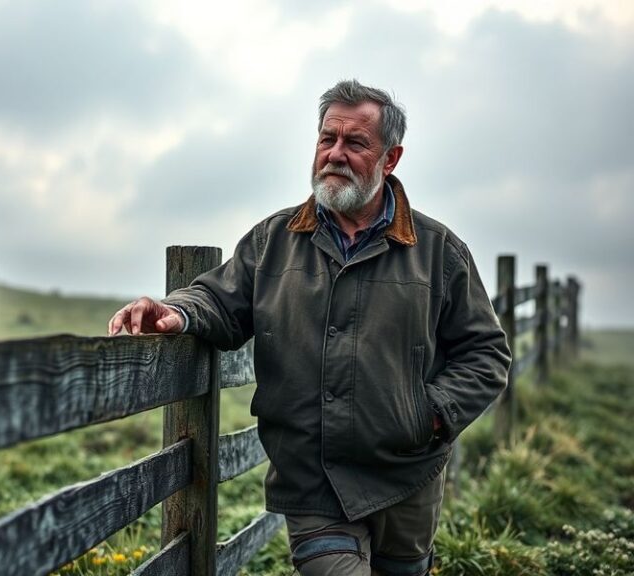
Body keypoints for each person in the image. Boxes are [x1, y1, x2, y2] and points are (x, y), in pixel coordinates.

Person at [108, 79, 511, 576]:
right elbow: (219, 296)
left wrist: (427, 415)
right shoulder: (273, 240)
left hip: (406, 477)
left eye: (355, 142)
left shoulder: (437, 251)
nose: (335, 154)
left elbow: (486, 354)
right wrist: (176, 310)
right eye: (327, 139)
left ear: (390, 158)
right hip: (310, 482)